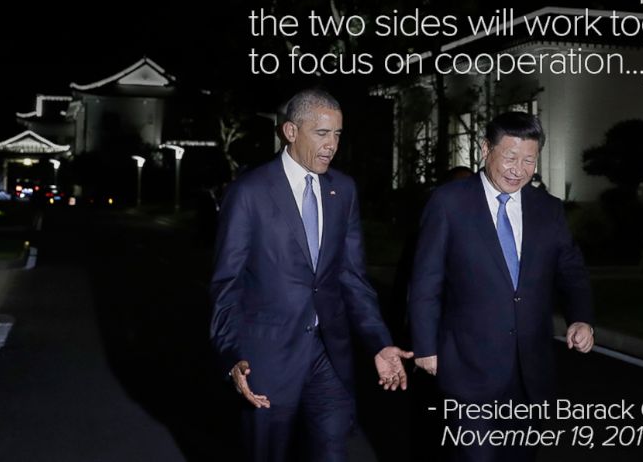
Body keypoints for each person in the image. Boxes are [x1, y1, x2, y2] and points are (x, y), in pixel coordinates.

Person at [209, 88, 412, 462]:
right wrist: (232, 353)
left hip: (329, 355)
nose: (331, 145)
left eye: (337, 134)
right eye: (321, 133)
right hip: (266, 359)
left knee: (332, 452)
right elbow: (227, 284)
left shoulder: (343, 190)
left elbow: (353, 278)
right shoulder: (249, 192)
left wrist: (379, 343)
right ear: (290, 131)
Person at [410, 111, 595, 462]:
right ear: (486, 149)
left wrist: (581, 318)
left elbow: (572, 271)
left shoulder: (548, 209)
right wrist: (425, 345)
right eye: (510, 157)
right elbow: (425, 280)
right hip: (467, 365)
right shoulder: (449, 202)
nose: (518, 170)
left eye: (529, 161)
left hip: (530, 371)